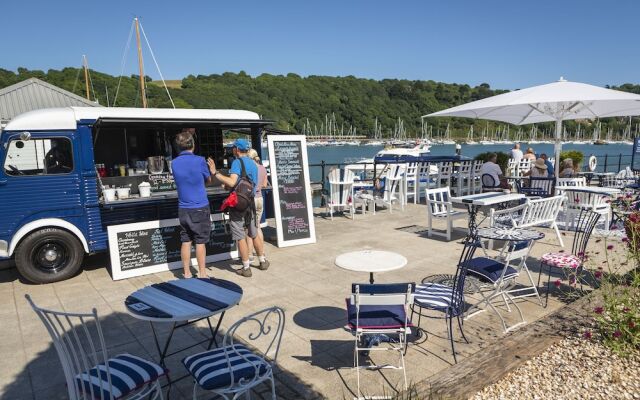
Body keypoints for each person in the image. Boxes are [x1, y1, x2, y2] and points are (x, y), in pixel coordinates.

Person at [208, 138, 269, 277]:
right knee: (253, 233)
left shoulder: (236, 162)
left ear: (236, 149)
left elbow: (232, 181)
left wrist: (215, 173)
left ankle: (246, 267)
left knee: (240, 236)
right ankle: (262, 261)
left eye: (233, 147)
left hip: (238, 204)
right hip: (251, 201)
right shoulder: (254, 164)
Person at [172, 130, 212, 279]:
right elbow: (208, 180)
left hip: (183, 208)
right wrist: (212, 172)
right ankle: (202, 273)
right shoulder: (200, 160)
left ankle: (187, 273)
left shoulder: (174, 163)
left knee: (186, 240)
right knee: (200, 241)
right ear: (193, 145)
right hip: (200, 206)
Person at [246, 148, 268, 266]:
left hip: (252, 199)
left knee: (250, 228)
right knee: (258, 226)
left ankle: (249, 254)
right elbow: (264, 184)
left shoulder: (250, 169)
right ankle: (262, 252)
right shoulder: (263, 168)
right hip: (260, 199)